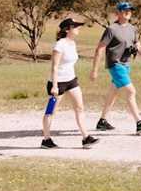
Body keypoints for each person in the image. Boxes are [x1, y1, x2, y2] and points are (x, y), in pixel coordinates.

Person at [90, 2, 141, 134]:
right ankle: (139, 123)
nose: (128, 12)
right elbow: (100, 49)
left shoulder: (132, 29)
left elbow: (138, 46)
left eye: (130, 10)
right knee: (131, 91)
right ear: (118, 13)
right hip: (115, 65)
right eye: (125, 10)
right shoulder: (111, 29)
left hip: (126, 65)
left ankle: (102, 121)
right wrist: (95, 70)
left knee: (113, 94)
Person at [41, 18, 100, 149]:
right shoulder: (59, 45)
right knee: (51, 112)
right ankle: (46, 139)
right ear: (67, 29)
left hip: (71, 81)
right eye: (76, 26)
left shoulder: (72, 43)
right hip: (58, 83)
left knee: (80, 108)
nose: (79, 28)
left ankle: (86, 138)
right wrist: (55, 86)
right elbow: (54, 67)